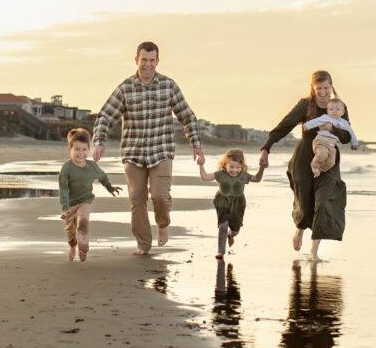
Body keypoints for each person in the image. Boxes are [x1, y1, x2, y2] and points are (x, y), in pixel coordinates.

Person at [92, 41, 205, 255]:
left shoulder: (169, 86)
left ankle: (162, 225)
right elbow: (105, 115)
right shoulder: (125, 88)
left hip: (160, 151)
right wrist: (99, 141)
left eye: (152, 60)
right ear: (137, 60)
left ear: (157, 61)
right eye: (144, 60)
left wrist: (196, 146)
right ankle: (144, 244)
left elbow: (187, 117)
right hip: (133, 154)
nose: (148, 65)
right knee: (137, 198)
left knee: (160, 196)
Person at [260, 70, 352, 261]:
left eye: (326, 87)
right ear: (313, 88)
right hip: (304, 159)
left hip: (328, 159)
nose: (323, 92)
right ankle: (300, 228)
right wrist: (266, 148)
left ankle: (313, 252)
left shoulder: (339, 107)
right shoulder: (305, 105)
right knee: (305, 200)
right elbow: (284, 126)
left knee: (323, 202)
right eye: (319, 88)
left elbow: (346, 136)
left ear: (331, 86)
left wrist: (332, 128)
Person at [58, 128, 121, 262]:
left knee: (83, 222)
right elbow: (63, 189)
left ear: (89, 150)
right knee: (70, 232)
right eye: (77, 149)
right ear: (70, 150)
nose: (81, 153)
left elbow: (103, 177)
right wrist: (65, 208)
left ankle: (83, 247)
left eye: (84, 149)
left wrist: (110, 188)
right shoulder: (66, 168)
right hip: (70, 204)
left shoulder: (92, 167)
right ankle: (73, 245)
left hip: (85, 201)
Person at [199, 148, 265, 259]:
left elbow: (257, 179)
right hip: (222, 202)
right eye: (231, 167)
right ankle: (221, 251)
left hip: (238, 205)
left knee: (235, 230)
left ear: (242, 167)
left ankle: (231, 235)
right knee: (223, 226)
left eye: (238, 167)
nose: (234, 170)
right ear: (225, 165)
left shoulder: (243, 175)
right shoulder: (221, 174)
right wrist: (201, 165)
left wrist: (262, 167)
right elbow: (205, 177)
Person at [305, 98, 358, 177]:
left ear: (342, 112)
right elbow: (316, 121)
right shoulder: (326, 118)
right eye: (331, 109)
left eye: (337, 109)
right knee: (321, 154)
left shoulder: (344, 123)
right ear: (327, 111)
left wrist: (354, 143)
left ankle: (320, 170)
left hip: (332, 145)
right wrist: (307, 126)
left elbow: (351, 133)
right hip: (321, 141)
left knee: (331, 162)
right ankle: (314, 167)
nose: (334, 111)